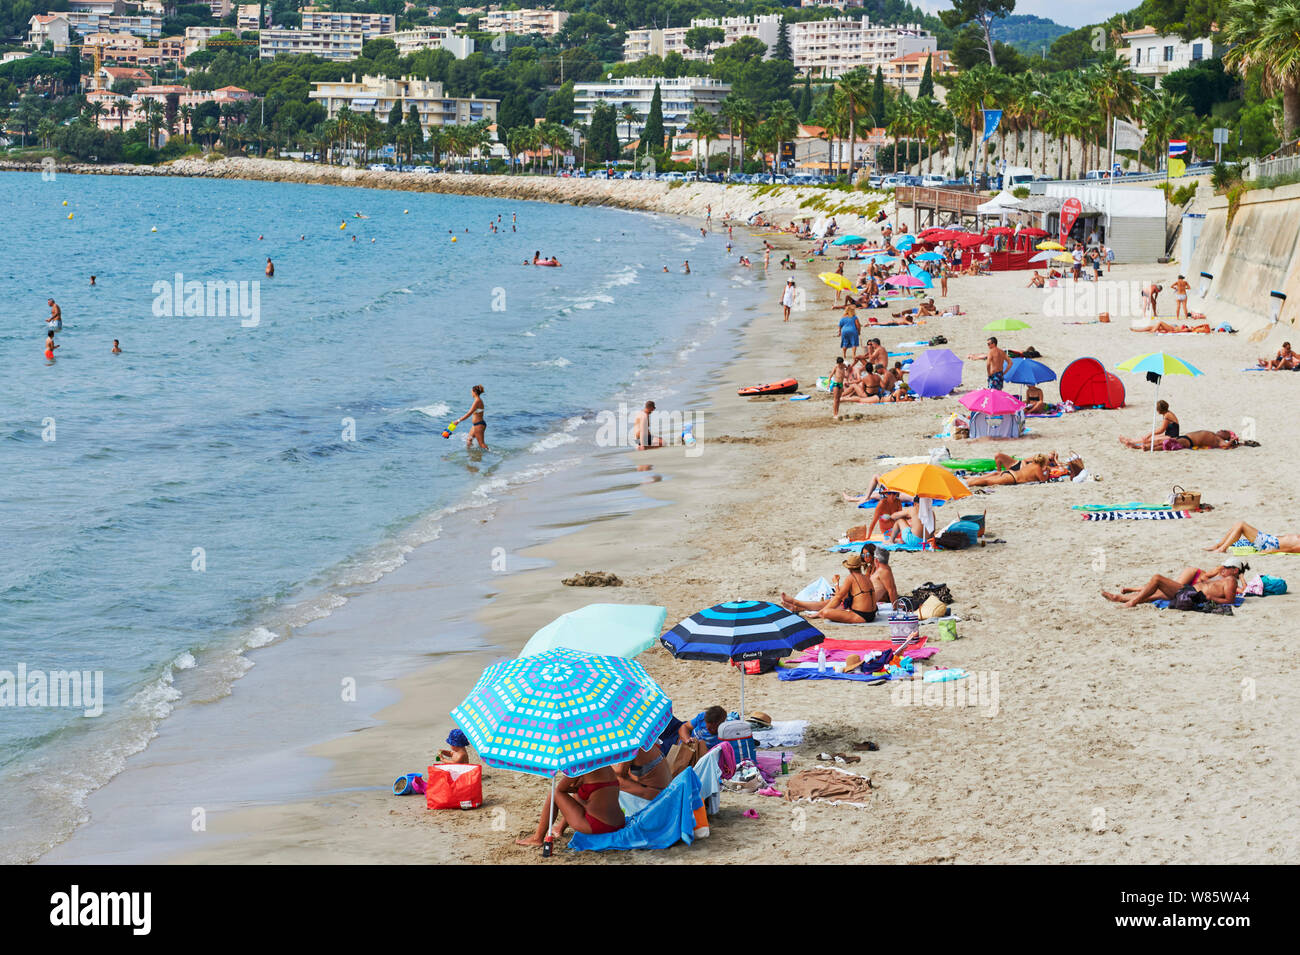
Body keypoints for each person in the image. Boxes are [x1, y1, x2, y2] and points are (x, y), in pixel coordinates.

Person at [515, 766, 625, 846]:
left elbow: (560, 790)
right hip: (619, 822)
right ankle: (559, 828)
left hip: (599, 826)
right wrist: (577, 785)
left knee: (554, 794)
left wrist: (574, 784)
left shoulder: (581, 764)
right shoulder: (605, 765)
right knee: (576, 795)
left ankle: (537, 838)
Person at [1102, 558, 1246, 608]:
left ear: (1235, 571)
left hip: (1194, 595)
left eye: (1226, 568)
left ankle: (1132, 602)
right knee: (1156, 594)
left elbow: (1230, 600)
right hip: (1190, 591)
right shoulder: (1223, 579)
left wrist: (1210, 598)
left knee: (1157, 579)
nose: (1223, 569)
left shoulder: (1231, 581)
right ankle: (1119, 598)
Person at [780, 552, 880, 622]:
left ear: (849, 568)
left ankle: (796, 603)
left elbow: (838, 597)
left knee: (826, 612)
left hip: (861, 616)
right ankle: (796, 607)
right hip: (871, 613)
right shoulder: (865, 577)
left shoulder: (851, 578)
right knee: (828, 603)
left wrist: (819, 613)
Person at [1205, 521, 1300, 554]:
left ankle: (1222, 548)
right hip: (1270, 540)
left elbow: (1290, 549)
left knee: (1241, 525)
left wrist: (1271, 551)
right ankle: (1218, 546)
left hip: (1269, 544)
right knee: (1239, 524)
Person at [964, 453, 1053, 487]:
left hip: (1010, 473)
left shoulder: (1031, 464)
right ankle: (968, 483)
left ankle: (968, 480)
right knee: (987, 482)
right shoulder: (1037, 468)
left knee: (993, 475)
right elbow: (1043, 480)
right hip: (1012, 478)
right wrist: (1047, 471)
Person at [453, 384, 489, 451]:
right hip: (476, 425)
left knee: (481, 444)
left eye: (471, 392)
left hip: (479, 425)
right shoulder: (477, 400)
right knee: (469, 440)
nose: (471, 393)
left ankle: (492, 454)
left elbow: (469, 413)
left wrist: (458, 421)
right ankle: (472, 455)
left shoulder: (477, 401)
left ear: (474, 392)